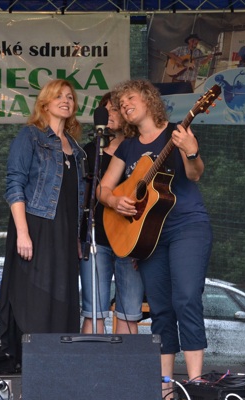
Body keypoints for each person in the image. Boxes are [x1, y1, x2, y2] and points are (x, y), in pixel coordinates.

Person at [98, 80, 213, 395]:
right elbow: (103, 189)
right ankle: (165, 389)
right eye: (121, 104)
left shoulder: (177, 132)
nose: (125, 105)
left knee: (186, 298)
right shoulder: (127, 147)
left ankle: (194, 384)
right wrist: (114, 201)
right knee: (160, 308)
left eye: (130, 98)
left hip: (186, 225)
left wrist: (191, 151)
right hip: (148, 237)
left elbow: (195, 174)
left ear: (149, 99)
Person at [0, 79, 86, 370]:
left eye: (70, 97)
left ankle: (58, 364)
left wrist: (77, 236)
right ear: (45, 103)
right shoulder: (30, 136)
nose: (66, 101)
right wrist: (22, 233)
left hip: (65, 233)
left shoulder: (76, 148)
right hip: (37, 226)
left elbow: (75, 198)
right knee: (36, 295)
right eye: (58, 96)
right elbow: (15, 184)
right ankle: (35, 363)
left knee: (63, 295)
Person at [80, 92, 145, 334]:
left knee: (129, 314)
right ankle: (92, 359)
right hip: (96, 239)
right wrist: (79, 236)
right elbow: (81, 198)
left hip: (131, 241)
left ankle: (126, 361)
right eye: (105, 110)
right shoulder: (89, 152)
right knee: (93, 312)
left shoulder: (139, 151)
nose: (109, 114)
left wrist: (144, 245)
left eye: (115, 109)